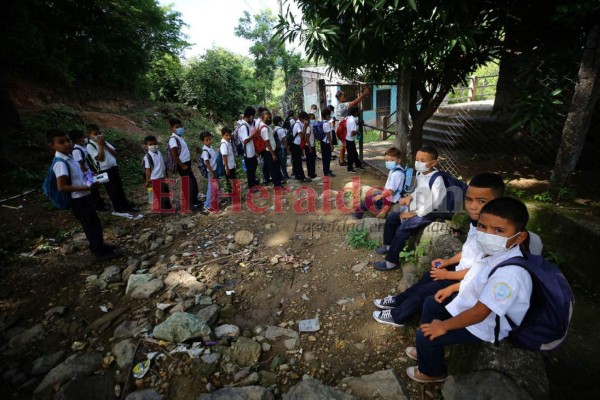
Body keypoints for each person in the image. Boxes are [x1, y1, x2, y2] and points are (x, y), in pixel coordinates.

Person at [405, 197, 533, 383]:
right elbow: (476, 277)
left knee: (424, 334)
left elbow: (480, 314)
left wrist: (443, 326)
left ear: (519, 237)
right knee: (432, 303)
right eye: (482, 226)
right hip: (475, 305)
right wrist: (453, 288)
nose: (487, 234)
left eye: (498, 230)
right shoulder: (494, 252)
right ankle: (427, 348)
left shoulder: (510, 275)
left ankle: (432, 372)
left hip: (488, 324)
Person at [46, 129, 121, 261]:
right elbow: (62, 186)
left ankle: (100, 245)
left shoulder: (69, 158)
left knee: (95, 222)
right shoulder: (60, 163)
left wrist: (91, 178)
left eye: (68, 140)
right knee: (90, 224)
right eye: (61, 142)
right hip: (78, 199)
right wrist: (86, 187)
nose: (66, 144)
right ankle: (99, 250)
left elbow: (78, 176)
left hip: (85, 195)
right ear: (52, 145)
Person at [373, 146, 445, 271]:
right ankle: (389, 246)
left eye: (422, 160)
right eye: (417, 159)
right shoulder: (420, 173)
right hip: (418, 207)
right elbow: (419, 190)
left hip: (428, 212)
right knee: (391, 218)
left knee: (403, 228)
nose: (418, 163)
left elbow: (434, 203)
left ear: (433, 163)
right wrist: (410, 196)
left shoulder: (437, 180)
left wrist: (413, 214)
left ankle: (391, 262)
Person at [86, 124, 141, 219]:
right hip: (104, 170)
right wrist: (99, 145)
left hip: (113, 167)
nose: (98, 135)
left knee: (119, 188)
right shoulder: (90, 146)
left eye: (99, 133)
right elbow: (100, 158)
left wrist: (105, 144)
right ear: (90, 135)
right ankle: (119, 209)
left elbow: (114, 153)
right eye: (95, 134)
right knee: (113, 190)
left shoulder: (104, 142)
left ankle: (126, 206)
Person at [353, 147, 405, 220]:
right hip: (389, 196)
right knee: (369, 197)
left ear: (398, 160)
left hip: (391, 199)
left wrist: (381, 196)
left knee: (369, 200)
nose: (388, 162)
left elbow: (391, 191)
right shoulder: (395, 170)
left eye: (392, 160)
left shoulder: (396, 174)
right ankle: (379, 208)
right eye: (387, 160)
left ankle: (357, 214)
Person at [69, 129, 108, 212]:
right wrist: (87, 174)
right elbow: (80, 165)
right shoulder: (76, 151)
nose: (85, 138)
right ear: (77, 139)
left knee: (96, 188)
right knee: (93, 189)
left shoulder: (83, 147)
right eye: (83, 137)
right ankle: (98, 206)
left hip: (90, 171)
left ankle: (100, 203)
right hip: (86, 173)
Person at [168, 117, 200, 210]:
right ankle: (190, 204)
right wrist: (181, 165)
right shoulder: (173, 139)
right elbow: (173, 153)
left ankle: (194, 201)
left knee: (192, 182)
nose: (179, 128)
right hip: (182, 165)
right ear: (172, 128)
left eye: (180, 126)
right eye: (176, 127)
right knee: (189, 183)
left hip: (186, 163)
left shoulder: (179, 138)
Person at [335, 87, 371, 166]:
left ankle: (344, 160)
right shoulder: (342, 105)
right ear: (340, 98)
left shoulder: (340, 105)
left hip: (342, 126)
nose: (346, 96)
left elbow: (354, 102)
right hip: (343, 127)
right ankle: (342, 160)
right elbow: (355, 102)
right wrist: (364, 94)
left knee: (345, 144)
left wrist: (361, 95)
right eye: (344, 95)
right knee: (344, 144)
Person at [143, 135, 172, 211]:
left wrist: (166, 174)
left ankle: (168, 206)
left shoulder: (159, 153)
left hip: (162, 176)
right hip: (155, 178)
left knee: (165, 192)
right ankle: (164, 209)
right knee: (160, 195)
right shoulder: (147, 157)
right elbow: (148, 170)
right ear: (146, 146)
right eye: (150, 144)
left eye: (155, 144)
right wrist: (147, 181)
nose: (153, 146)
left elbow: (163, 164)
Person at [257, 109, 283, 188]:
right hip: (269, 151)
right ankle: (276, 184)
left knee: (274, 166)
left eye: (269, 118)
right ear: (262, 118)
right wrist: (273, 154)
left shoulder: (266, 126)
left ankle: (277, 181)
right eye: (267, 118)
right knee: (273, 168)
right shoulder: (264, 128)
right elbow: (267, 142)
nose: (268, 120)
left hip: (271, 150)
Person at [239, 106, 260, 189]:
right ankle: (251, 187)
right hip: (247, 152)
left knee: (254, 166)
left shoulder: (247, 124)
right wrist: (254, 135)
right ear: (250, 116)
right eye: (252, 116)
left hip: (251, 151)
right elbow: (245, 140)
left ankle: (253, 183)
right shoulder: (244, 126)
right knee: (250, 171)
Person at [199, 131, 218, 213]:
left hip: (215, 170)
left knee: (214, 188)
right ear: (203, 141)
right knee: (211, 189)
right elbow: (207, 163)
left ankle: (214, 202)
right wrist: (212, 173)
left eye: (209, 139)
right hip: (212, 172)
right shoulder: (205, 151)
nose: (209, 141)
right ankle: (208, 205)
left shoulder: (210, 148)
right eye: (206, 140)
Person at [290, 111, 312, 183]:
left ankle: (298, 175)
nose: (306, 120)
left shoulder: (301, 123)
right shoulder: (297, 125)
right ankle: (301, 177)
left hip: (298, 144)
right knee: (298, 161)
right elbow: (302, 135)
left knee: (297, 161)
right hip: (295, 145)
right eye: (304, 119)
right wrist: (305, 126)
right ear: (301, 118)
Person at [345, 106, 364, 173]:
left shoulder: (349, 118)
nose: (359, 112)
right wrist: (358, 132)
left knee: (354, 153)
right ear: (356, 112)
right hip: (350, 139)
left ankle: (358, 165)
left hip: (348, 139)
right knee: (351, 155)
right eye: (358, 111)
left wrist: (359, 123)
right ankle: (349, 168)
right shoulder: (352, 120)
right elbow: (352, 133)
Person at [220, 127, 237, 197]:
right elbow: (224, 156)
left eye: (229, 135)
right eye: (226, 135)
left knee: (233, 180)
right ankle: (232, 196)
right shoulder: (224, 144)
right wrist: (226, 167)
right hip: (228, 167)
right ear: (222, 135)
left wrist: (235, 163)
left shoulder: (228, 143)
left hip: (232, 165)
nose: (228, 137)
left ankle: (235, 194)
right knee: (230, 181)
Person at [273, 116, 291, 181]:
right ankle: (286, 176)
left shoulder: (274, 129)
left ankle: (281, 176)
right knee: (283, 163)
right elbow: (284, 140)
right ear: (279, 122)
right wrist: (287, 149)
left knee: (279, 163)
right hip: (282, 148)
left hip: (276, 148)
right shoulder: (281, 130)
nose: (282, 122)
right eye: (281, 121)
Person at [319, 108, 335, 177]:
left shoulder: (322, 122)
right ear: (327, 116)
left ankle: (326, 170)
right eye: (329, 115)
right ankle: (327, 172)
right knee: (327, 158)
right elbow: (328, 135)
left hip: (323, 142)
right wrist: (331, 145)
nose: (330, 116)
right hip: (327, 143)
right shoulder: (327, 124)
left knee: (325, 157)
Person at [306, 113, 319, 180]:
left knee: (311, 161)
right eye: (312, 118)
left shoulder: (310, 126)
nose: (313, 120)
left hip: (311, 145)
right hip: (309, 146)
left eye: (314, 118)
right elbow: (307, 137)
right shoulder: (309, 127)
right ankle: (311, 175)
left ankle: (312, 174)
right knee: (310, 161)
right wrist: (310, 147)